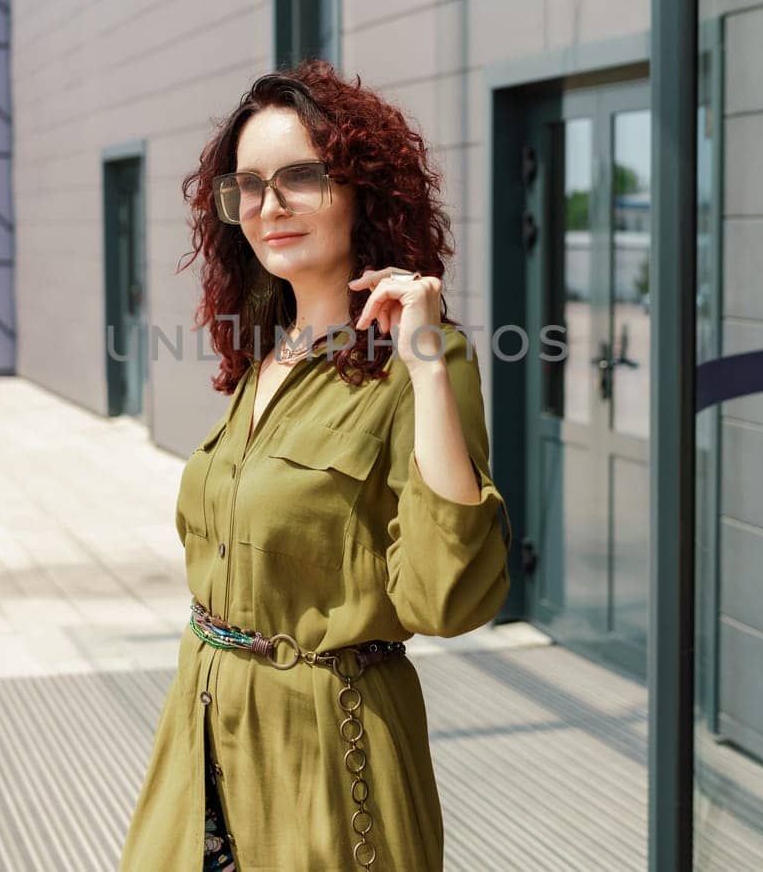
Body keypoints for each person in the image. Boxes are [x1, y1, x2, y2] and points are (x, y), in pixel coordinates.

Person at [117, 59, 512, 871]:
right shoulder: (264, 355)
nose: (270, 206)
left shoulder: (425, 361)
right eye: (249, 185)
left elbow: (446, 596)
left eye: (302, 176)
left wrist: (428, 361)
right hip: (202, 737)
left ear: (364, 185)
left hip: (330, 752)